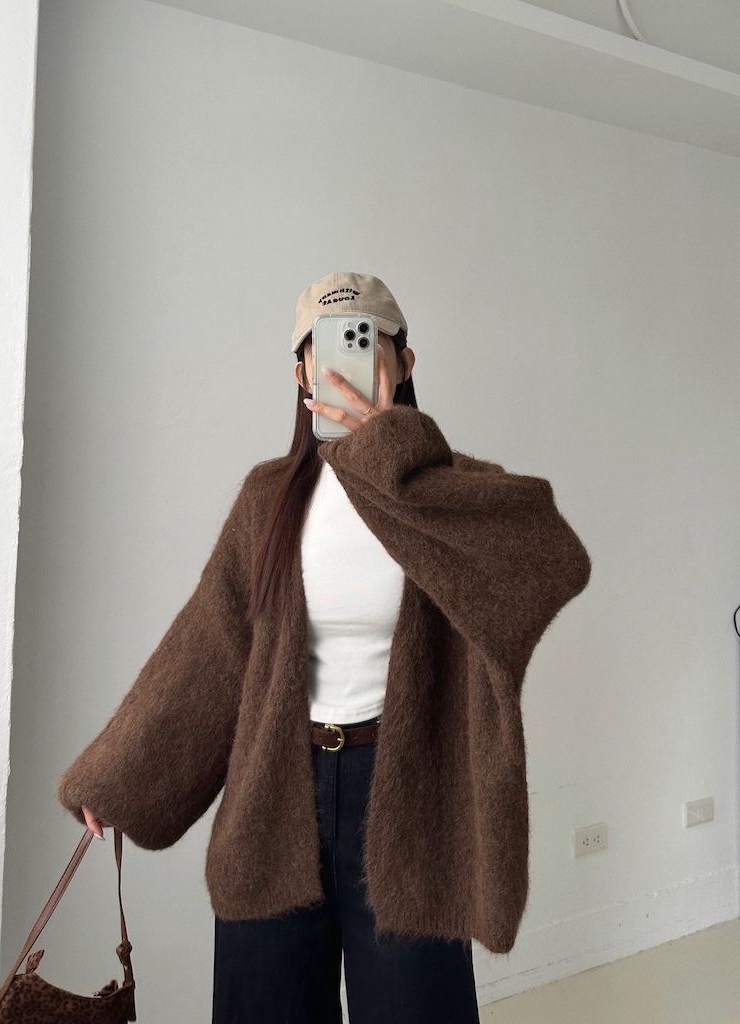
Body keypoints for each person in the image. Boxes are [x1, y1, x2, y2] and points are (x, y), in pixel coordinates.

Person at [59, 271, 592, 1024]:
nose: (346, 362)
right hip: (277, 793)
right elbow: (212, 645)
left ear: (405, 363)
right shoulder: (268, 498)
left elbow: (552, 562)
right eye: (327, 347)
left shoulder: (454, 497)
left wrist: (392, 455)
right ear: (302, 372)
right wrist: (121, 775)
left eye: (367, 343)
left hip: (412, 800)